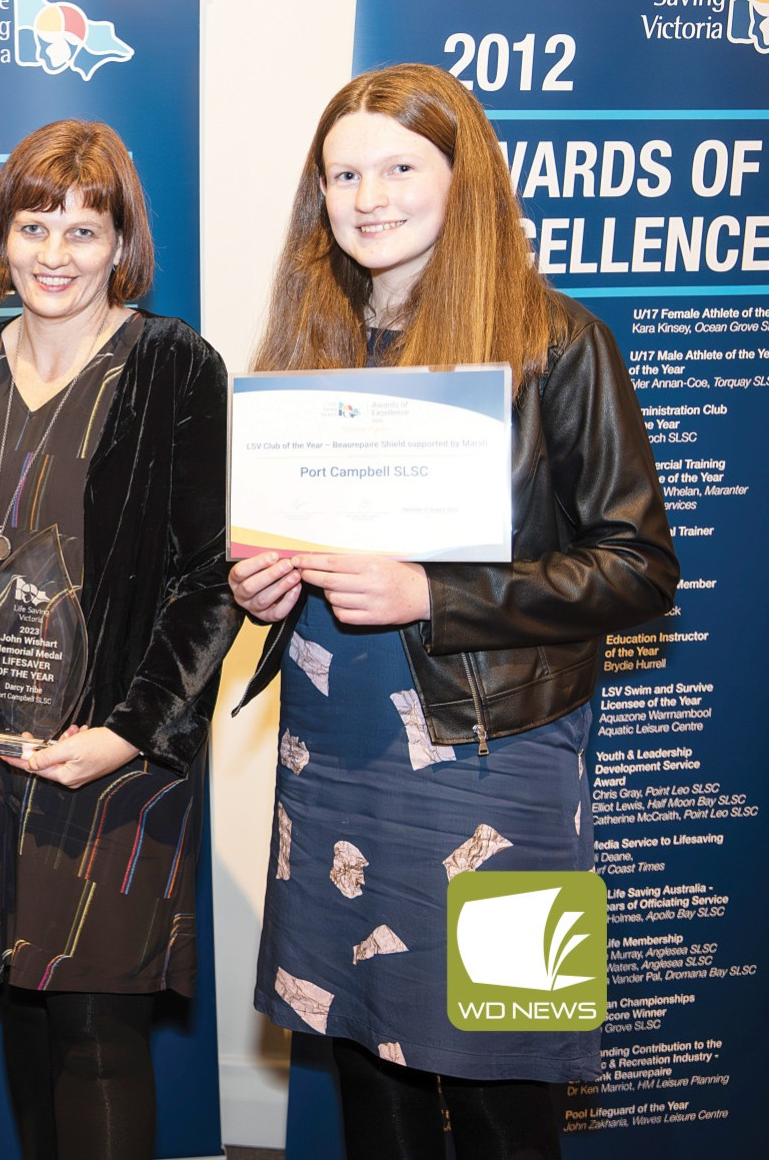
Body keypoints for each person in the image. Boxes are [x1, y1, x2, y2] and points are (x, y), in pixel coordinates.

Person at [228, 63, 678, 1159]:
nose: (367, 194)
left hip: (502, 764)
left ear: (460, 176)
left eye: (397, 166)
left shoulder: (555, 341)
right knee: (365, 1078)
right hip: (329, 763)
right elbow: (280, 549)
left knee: (505, 1086)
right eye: (342, 172)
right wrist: (254, 587)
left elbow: (636, 567)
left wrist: (435, 592)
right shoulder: (310, 349)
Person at [0, 118, 241, 1159]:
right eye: (33, 225)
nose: (54, 254)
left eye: (82, 231)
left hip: (113, 769)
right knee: (24, 1008)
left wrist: (129, 732)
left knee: (95, 1029)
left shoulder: (174, 365)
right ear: (1, 236)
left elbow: (207, 577)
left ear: (119, 243)